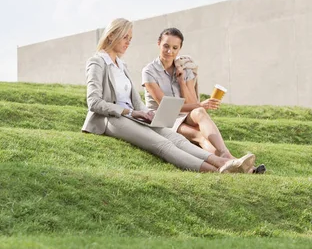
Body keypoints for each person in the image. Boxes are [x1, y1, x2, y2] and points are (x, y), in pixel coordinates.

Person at [82, 18, 255, 173]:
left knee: (177, 139)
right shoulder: (97, 62)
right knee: (163, 145)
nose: (128, 42)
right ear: (111, 35)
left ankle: (225, 162)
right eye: (125, 37)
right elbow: (94, 102)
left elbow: (135, 101)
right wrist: (130, 113)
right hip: (111, 119)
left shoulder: (121, 64)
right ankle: (219, 171)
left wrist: (145, 112)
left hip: (134, 116)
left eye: (130, 39)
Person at [141, 27, 265, 174]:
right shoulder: (149, 71)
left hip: (183, 114)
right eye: (166, 46)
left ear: (180, 48)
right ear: (159, 44)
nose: (170, 52)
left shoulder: (184, 68)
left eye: (175, 48)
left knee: (199, 112)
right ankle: (237, 164)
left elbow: (192, 103)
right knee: (199, 135)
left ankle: (226, 155)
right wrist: (200, 104)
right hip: (164, 117)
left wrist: (182, 82)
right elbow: (164, 105)